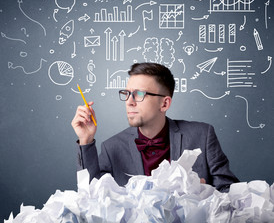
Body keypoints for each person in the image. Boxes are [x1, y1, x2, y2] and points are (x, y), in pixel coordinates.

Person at [71, 62, 239, 192]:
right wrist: (86, 140)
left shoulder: (202, 135)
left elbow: (229, 193)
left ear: (164, 103)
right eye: (127, 93)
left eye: (139, 94)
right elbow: (91, 197)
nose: (129, 101)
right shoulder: (111, 147)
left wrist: (203, 193)